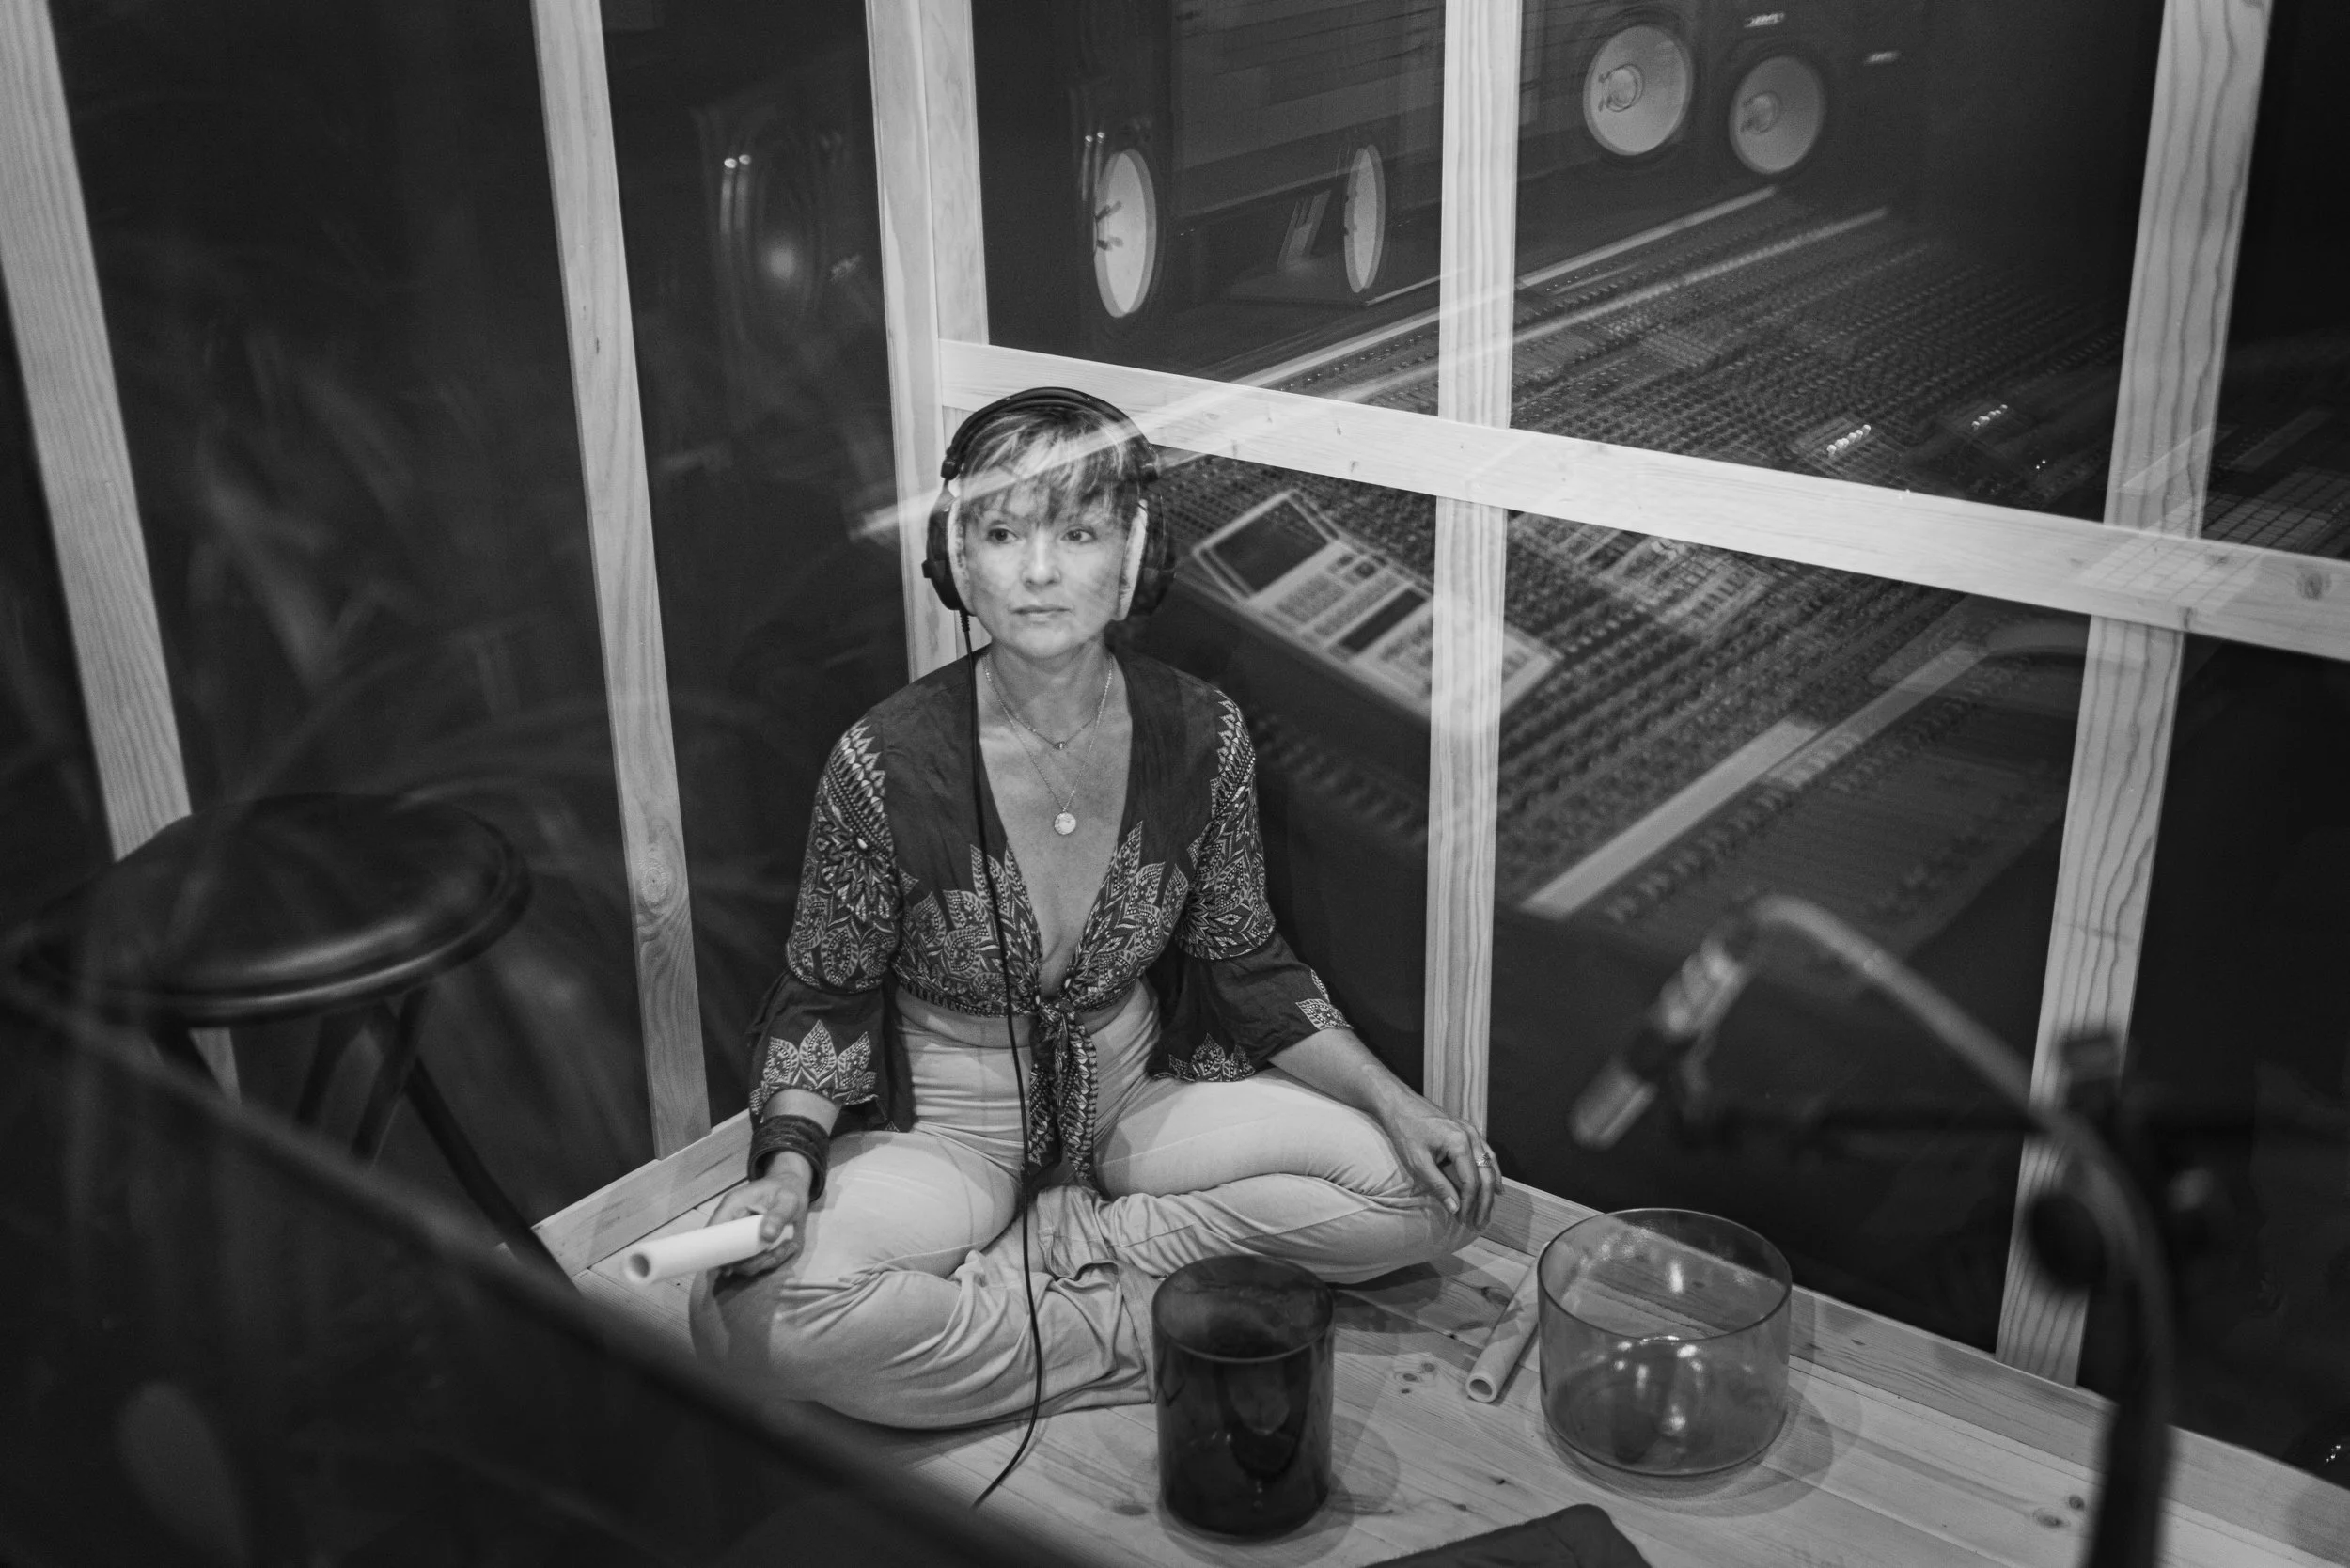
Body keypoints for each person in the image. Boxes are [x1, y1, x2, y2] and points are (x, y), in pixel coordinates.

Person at [690, 390, 1493, 1428]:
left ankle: (1080, 1267)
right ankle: (1125, 1328)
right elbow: (821, 1000)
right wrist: (788, 1172)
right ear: (955, 558)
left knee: (1432, 1200)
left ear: (1133, 554)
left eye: (1078, 532)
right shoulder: (881, 762)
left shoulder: (1202, 731)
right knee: (742, 1323)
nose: (1037, 572)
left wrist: (1400, 1105)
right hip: (954, 1133)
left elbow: (1247, 961)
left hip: (1135, 1101)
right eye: (1001, 531)